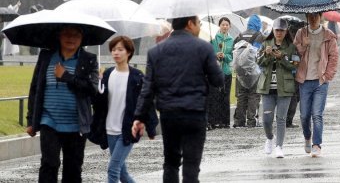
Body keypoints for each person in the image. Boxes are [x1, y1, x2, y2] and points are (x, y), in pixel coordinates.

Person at [132, 15, 224, 183]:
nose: (200, 27)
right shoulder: (204, 48)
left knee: (171, 163)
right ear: (190, 24)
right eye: (199, 23)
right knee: (191, 166)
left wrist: (139, 117)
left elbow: (148, 89)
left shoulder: (156, 51)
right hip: (195, 113)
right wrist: (214, 64)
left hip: (169, 114)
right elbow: (218, 81)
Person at [26, 25, 99, 183]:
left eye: (76, 35)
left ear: (82, 38)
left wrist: (66, 76)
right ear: (59, 35)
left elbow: (92, 89)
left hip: (76, 124)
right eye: (67, 34)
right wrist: (31, 120)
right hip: (49, 121)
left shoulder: (89, 59)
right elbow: (35, 88)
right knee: (49, 163)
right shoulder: (46, 56)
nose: (71, 38)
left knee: (73, 168)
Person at [90, 35, 158, 182]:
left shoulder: (137, 77)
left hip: (127, 129)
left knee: (113, 170)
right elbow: (98, 104)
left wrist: (151, 128)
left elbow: (147, 103)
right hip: (109, 129)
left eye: (120, 49)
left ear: (128, 52)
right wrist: (98, 85)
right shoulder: (107, 74)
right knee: (122, 173)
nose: (116, 53)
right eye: (113, 49)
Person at [294, 11, 339, 158]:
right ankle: (307, 136)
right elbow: (293, 54)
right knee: (304, 115)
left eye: (316, 16)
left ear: (321, 17)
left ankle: (317, 144)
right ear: (306, 18)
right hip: (304, 80)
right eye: (310, 16)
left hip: (320, 81)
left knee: (317, 114)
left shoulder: (329, 35)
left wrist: (327, 76)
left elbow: (334, 57)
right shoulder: (301, 33)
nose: (313, 19)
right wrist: (303, 46)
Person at [256, 17, 298, 159]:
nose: (279, 33)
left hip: (285, 88)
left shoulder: (292, 47)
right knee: (266, 119)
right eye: (277, 30)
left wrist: (282, 58)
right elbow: (258, 62)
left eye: (282, 30)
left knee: (281, 118)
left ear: (286, 31)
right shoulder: (265, 43)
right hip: (267, 87)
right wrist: (266, 54)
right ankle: (269, 138)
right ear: (273, 30)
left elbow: (295, 65)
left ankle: (279, 146)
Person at [232, 14, 264, 128]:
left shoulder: (240, 35)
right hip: (254, 70)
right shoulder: (259, 35)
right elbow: (258, 53)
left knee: (241, 95)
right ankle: (252, 120)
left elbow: (233, 50)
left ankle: (239, 120)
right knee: (254, 95)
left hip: (240, 70)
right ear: (258, 24)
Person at [208, 16, 234, 129]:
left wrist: (225, 56)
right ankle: (214, 121)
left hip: (227, 72)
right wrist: (215, 55)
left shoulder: (231, 40)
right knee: (215, 96)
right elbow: (208, 53)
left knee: (225, 96)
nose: (225, 26)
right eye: (223, 24)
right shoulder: (213, 38)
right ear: (219, 26)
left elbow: (232, 56)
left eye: (227, 25)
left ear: (229, 27)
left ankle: (225, 121)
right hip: (215, 72)